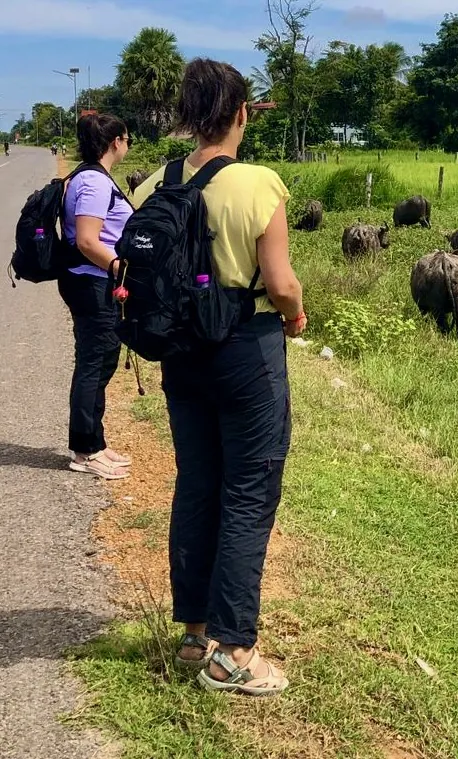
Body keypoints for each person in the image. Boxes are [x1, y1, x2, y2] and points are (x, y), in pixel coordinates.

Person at [130, 58, 306, 697]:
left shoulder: (157, 182)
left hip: (180, 355)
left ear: (187, 115)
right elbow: (281, 283)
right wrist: (296, 313)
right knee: (249, 492)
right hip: (243, 351)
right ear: (240, 114)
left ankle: (195, 633)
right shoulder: (258, 183)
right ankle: (234, 653)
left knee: (199, 483)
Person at [61, 114, 133, 480]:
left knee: (101, 362)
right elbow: (88, 240)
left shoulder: (88, 176)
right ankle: (84, 451)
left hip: (90, 281)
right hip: (92, 283)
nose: (128, 143)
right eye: (127, 138)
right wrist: (119, 267)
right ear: (116, 141)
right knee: (94, 363)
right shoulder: (94, 183)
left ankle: (96, 443)